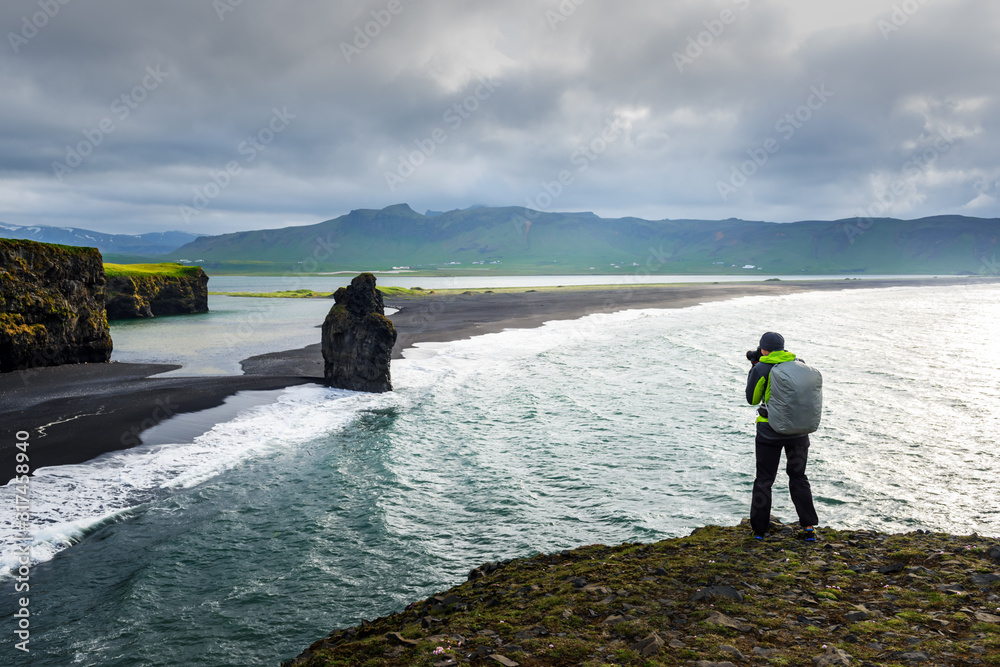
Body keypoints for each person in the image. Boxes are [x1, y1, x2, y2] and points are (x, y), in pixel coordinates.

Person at [745, 331, 818, 540]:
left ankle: (759, 531)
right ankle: (809, 528)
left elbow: (752, 399)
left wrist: (754, 368)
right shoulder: (800, 364)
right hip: (798, 431)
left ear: (763, 349)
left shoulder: (761, 367)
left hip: (770, 432)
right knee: (798, 477)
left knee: (764, 480)